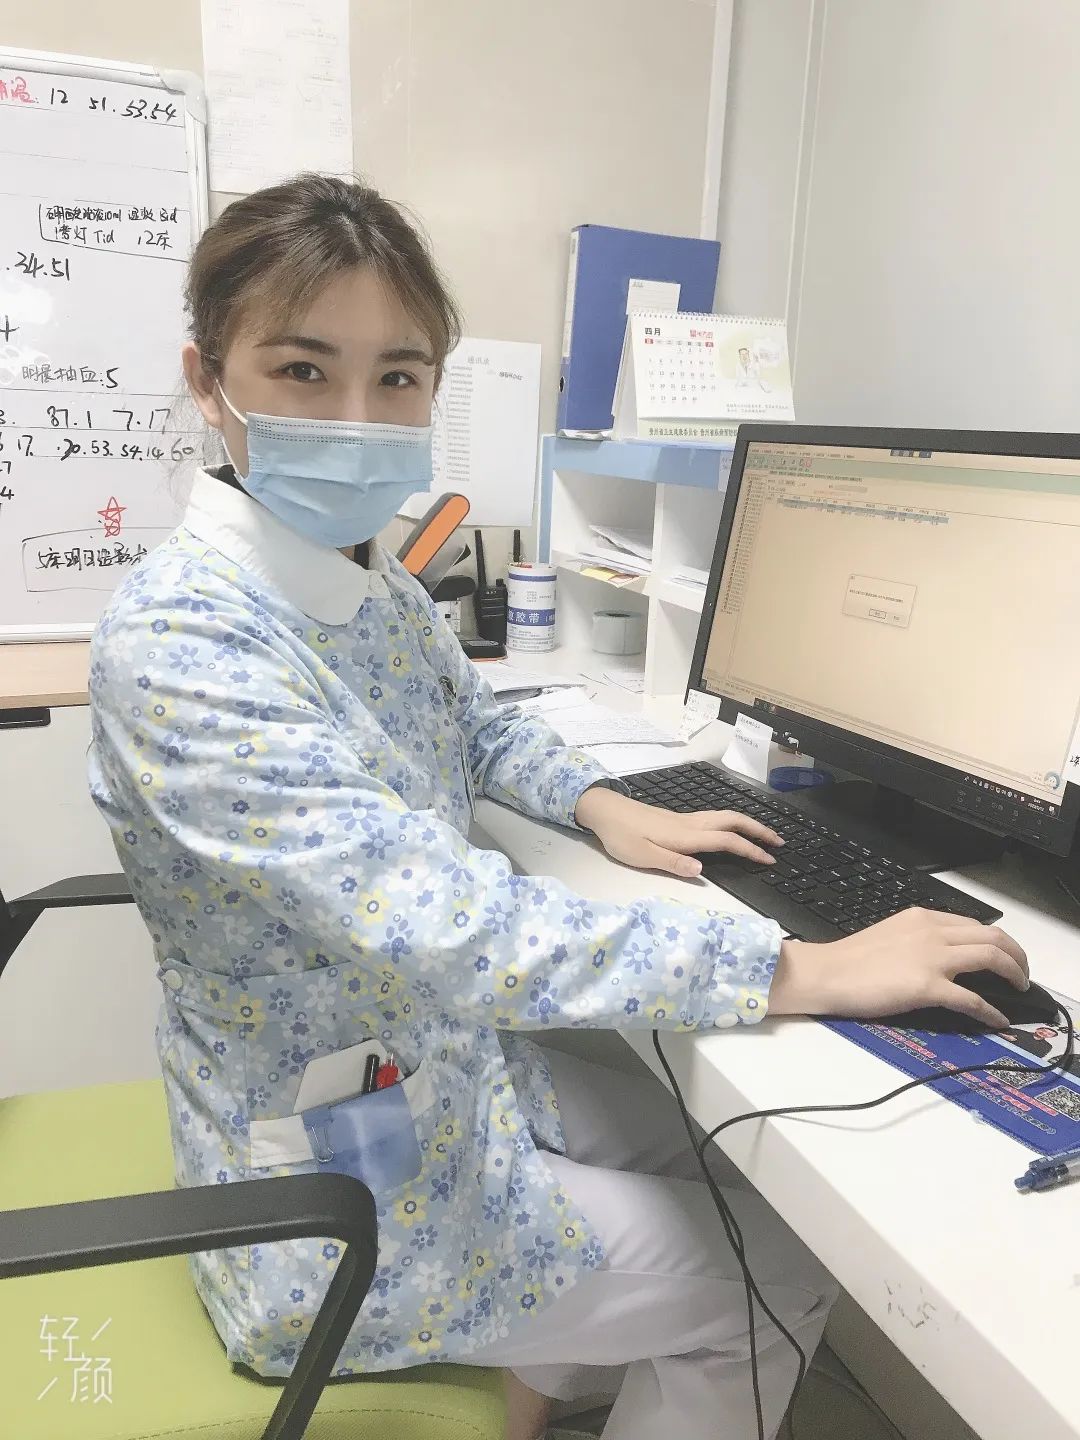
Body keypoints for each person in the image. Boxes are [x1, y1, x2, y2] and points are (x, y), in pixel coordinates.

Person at [87, 175, 1031, 1440]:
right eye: (304, 370)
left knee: (728, 1155)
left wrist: (595, 799)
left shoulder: (356, 574)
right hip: (331, 1192)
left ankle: (560, 1382)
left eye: (398, 376)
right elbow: (447, 923)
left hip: (429, 1075)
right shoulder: (184, 643)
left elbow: (464, 718)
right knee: (775, 1280)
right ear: (209, 381)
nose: (359, 419)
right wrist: (797, 967)